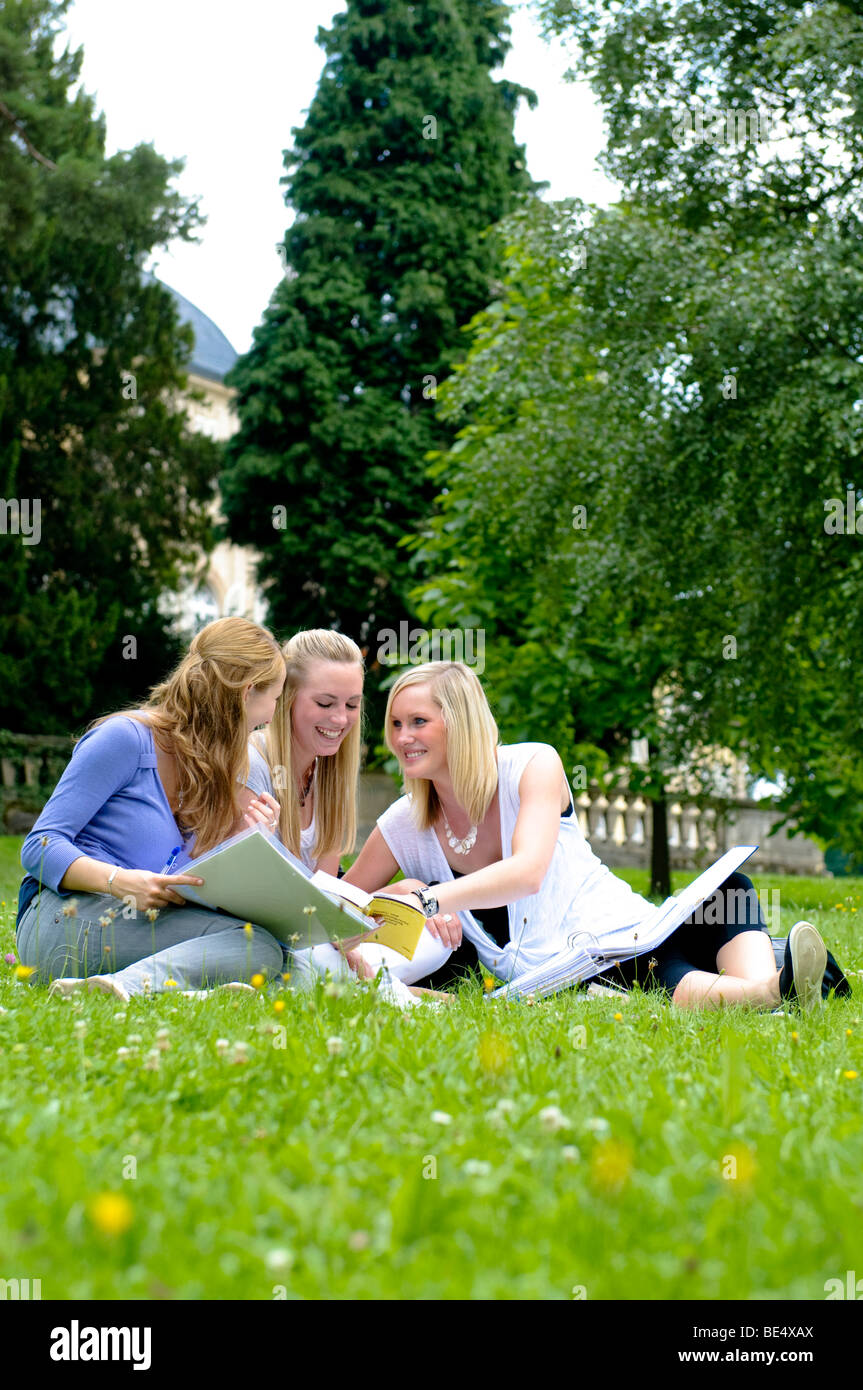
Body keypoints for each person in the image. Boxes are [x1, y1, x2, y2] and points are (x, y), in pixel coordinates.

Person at [339, 661, 847, 1011]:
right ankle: (772, 996)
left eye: (419, 722)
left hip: (623, 926)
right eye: (397, 723)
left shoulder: (532, 765)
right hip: (570, 965)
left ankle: (769, 993)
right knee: (653, 973)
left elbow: (526, 872)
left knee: (728, 893)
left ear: (462, 723)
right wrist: (395, 893)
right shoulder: (404, 822)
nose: (403, 738)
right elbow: (339, 907)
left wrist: (426, 898)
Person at [16, 617, 287, 1001]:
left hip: (135, 925)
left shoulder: (208, 768)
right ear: (245, 694)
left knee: (263, 947)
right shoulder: (124, 739)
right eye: (274, 698)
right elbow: (39, 845)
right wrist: (118, 881)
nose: (272, 717)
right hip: (65, 918)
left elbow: (187, 881)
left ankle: (146, 990)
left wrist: (248, 843)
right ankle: (127, 986)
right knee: (253, 947)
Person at [244, 629, 449, 990]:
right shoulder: (253, 763)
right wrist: (335, 940)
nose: (340, 719)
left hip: (313, 936)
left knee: (432, 928)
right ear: (286, 698)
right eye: (325, 704)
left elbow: (326, 893)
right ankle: (388, 989)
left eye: (351, 705)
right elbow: (263, 906)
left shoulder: (329, 773)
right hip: (267, 937)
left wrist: (391, 898)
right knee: (316, 960)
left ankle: (362, 983)